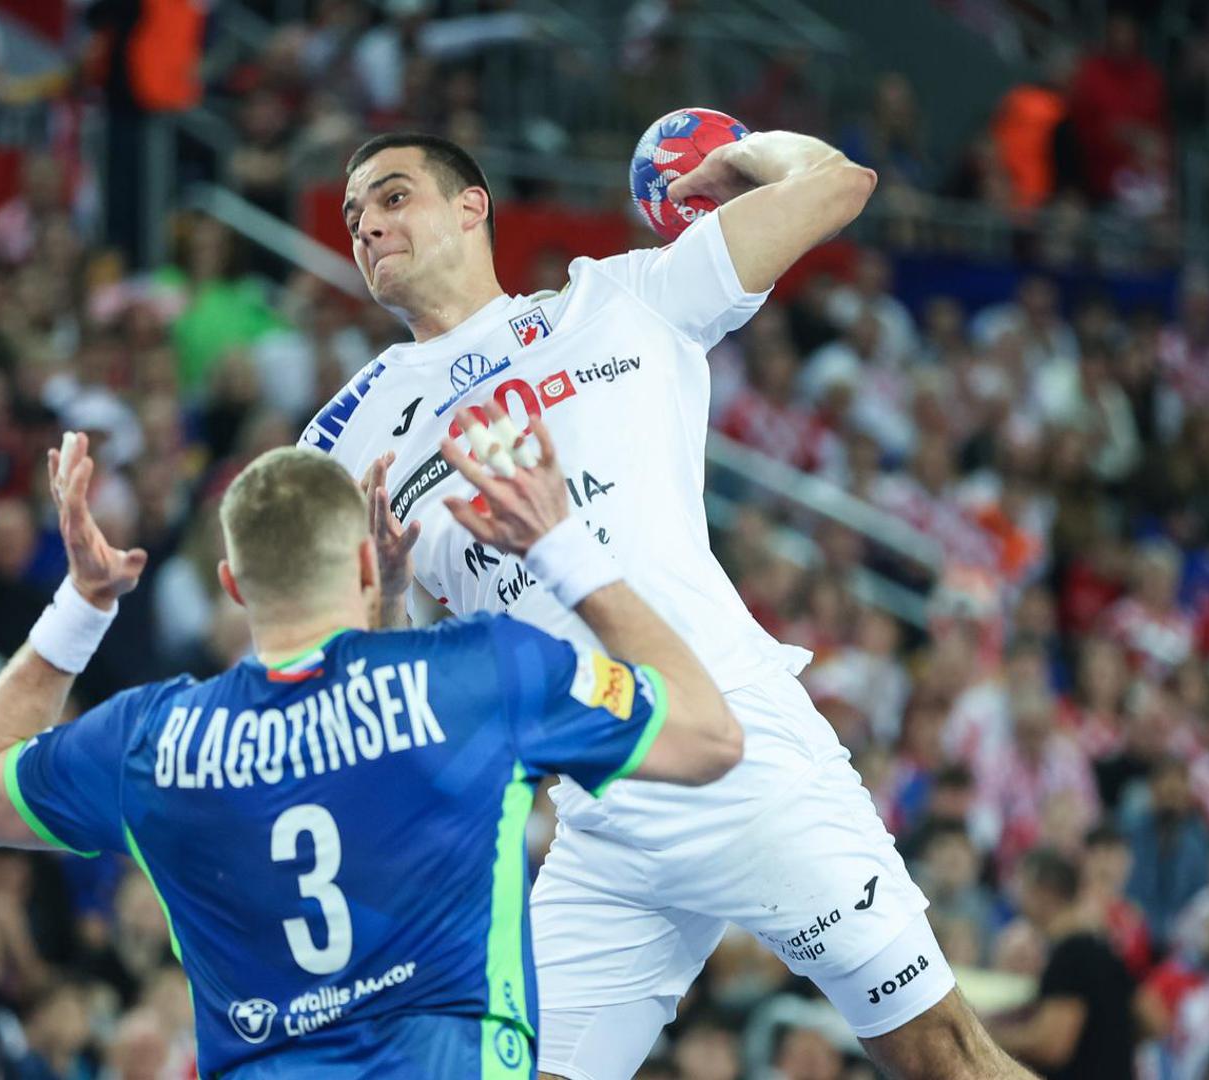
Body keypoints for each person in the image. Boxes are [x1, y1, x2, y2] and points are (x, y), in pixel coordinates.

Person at [305, 129, 1030, 1078]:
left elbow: (839, 184)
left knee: (942, 1059)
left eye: (393, 196)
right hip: (601, 804)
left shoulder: (623, 300)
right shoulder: (346, 437)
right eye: (353, 214)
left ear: (471, 205)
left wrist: (747, 157)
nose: (366, 224)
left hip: (743, 756)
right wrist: (393, 593)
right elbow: (368, 681)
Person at [0, 425, 744, 1077]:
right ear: (361, 560)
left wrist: (83, 602)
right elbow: (709, 736)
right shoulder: (478, 674)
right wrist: (563, 545)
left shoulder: (153, 740)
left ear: (234, 584)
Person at [989, 848, 1135, 1080]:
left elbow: (1051, 1046)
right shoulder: (1101, 949)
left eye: (1022, 886)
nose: (1016, 896)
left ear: (1045, 893)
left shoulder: (1072, 955)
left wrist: (984, 1034)